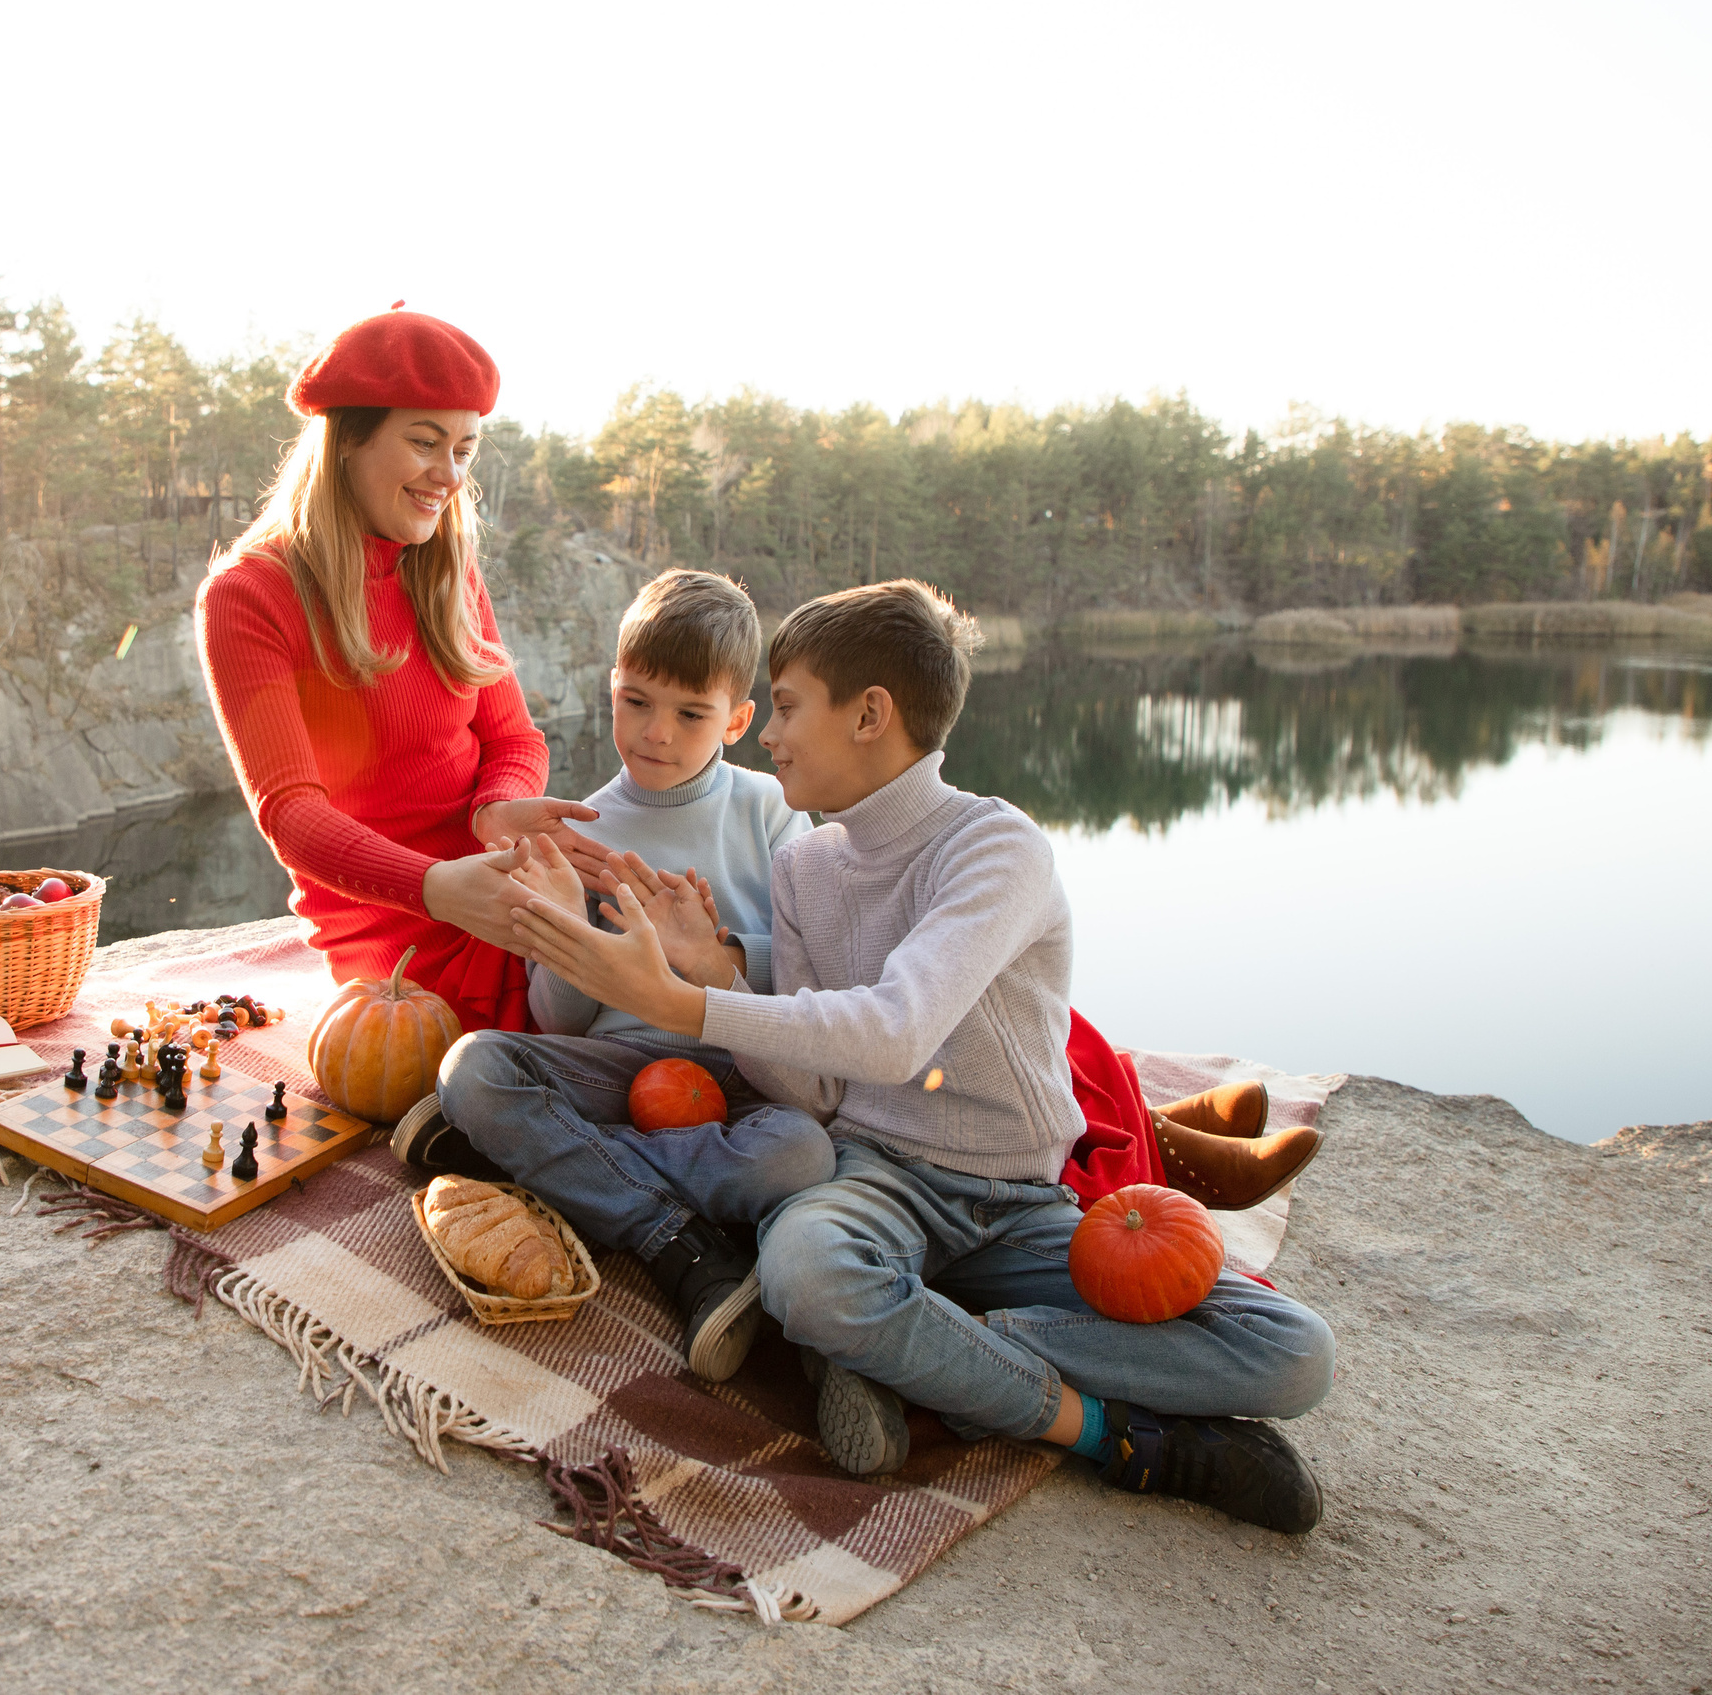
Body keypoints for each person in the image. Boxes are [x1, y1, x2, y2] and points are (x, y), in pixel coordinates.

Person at [509, 578, 1337, 1534]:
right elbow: (817, 1088)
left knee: (1291, 1351)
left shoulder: (995, 845)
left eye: (783, 706)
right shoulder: (803, 866)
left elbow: (898, 1029)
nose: (767, 736)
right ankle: (1117, 1435)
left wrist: (685, 1001)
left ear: (870, 714)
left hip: (1019, 1200)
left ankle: (925, 1345)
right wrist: (724, 975)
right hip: (878, 1181)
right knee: (806, 1272)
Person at [412, 571, 835, 1381]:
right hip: (615, 1073)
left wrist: (716, 956)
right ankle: (673, 1234)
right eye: (636, 701)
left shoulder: (771, 811)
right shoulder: (581, 829)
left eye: (690, 713)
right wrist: (568, 923)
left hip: (735, 1067)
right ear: (611, 688)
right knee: (476, 1069)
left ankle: (565, 1163)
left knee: (803, 1155)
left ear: (739, 720)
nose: (656, 734)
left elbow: (813, 972)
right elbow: (560, 1021)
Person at [195, 308, 601, 1030]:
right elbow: (291, 815)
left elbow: (515, 741)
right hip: (397, 932)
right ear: (348, 438)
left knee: (683, 916)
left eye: (465, 450)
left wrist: (494, 808)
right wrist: (438, 885)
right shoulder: (248, 596)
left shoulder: (447, 571)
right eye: (425, 442)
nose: (447, 475)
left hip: (493, 881)